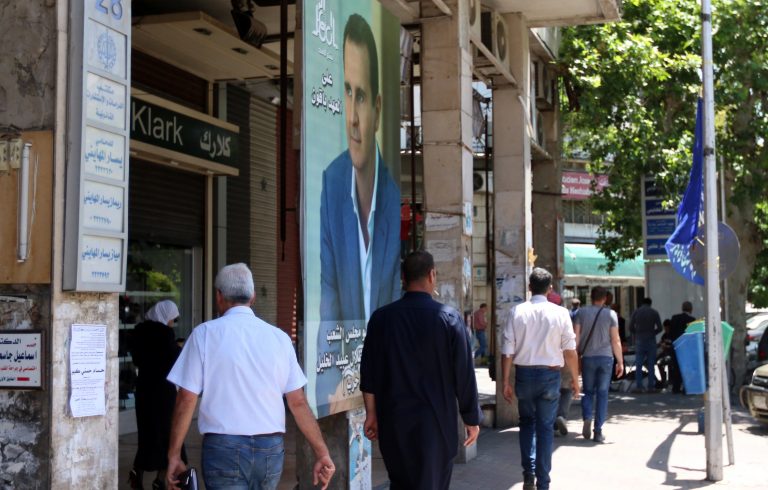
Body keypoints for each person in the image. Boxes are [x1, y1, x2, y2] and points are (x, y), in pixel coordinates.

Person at [165, 264, 335, 490]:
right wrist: (322, 452)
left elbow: (187, 398)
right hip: (270, 451)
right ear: (253, 297)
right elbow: (298, 402)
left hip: (223, 449)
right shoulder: (279, 338)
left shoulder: (204, 335)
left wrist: (174, 454)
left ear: (219, 296)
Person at [318, 13, 401, 415]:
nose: (351, 116)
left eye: (362, 96)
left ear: (379, 109)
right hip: (348, 380)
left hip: (386, 378)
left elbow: (396, 298)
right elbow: (328, 299)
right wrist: (335, 381)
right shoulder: (332, 184)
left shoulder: (392, 196)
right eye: (346, 93)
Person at [360, 251, 481, 490]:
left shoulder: (381, 319)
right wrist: (471, 418)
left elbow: (369, 372)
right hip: (436, 424)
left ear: (403, 278)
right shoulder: (450, 319)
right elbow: (464, 375)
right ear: (432, 275)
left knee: (401, 483)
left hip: (394, 422)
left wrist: (371, 414)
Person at [502, 268, 579, 490]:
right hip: (550, 375)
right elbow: (570, 351)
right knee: (545, 428)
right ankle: (543, 482)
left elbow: (507, 351)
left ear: (529, 287)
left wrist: (506, 381)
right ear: (550, 289)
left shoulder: (516, 312)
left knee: (526, 423)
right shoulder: (561, 313)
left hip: (524, 376)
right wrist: (575, 379)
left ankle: (528, 474)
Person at [128, 300, 185, 490]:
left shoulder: (139, 332)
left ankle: (137, 474)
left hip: (144, 390)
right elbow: (171, 358)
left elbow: (138, 359)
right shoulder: (164, 335)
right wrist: (178, 347)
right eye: (171, 319)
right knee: (166, 434)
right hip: (163, 392)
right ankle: (160, 479)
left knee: (147, 434)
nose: (172, 323)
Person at [574, 286, 624, 443]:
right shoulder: (611, 314)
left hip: (588, 357)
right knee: (602, 394)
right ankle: (598, 431)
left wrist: (575, 358)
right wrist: (620, 361)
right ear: (605, 299)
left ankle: (587, 416)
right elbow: (615, 340)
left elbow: (575, 337)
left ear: (591, 297)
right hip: (606, 358)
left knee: (588, 391)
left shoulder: (580, 313)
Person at [629, 297, 663, 392]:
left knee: (639, 364)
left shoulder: (636, 312)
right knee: (651, 364)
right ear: (650, 303)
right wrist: (653, 332)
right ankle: (651, 386)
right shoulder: (654, 312)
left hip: (640, 340)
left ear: (642, 303)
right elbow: (660, 328)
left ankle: (639, 386)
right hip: (651, 340)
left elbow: (631, 327)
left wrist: (637, 333)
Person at [669, 301, 695, 393]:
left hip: (676, 345)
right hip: (687, 347)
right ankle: (686, 388)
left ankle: (675, 388)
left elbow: (671, 332)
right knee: (686, 367)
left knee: (676, 367)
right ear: (691, 309)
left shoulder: (674, 318)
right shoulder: (692, 320)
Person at [657, 320, 675, 388]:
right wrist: (660, 344)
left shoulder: (673, 334)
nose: (665, 329)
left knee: (669, 362)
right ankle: (663, 380)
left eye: (666, 328)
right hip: (665, 353)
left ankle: (670, 380)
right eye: (665, 328)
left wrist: (667, 346)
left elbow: (674, 346)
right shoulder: (664, 335)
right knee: (658, 362)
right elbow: (660, 343)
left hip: (671, 353)